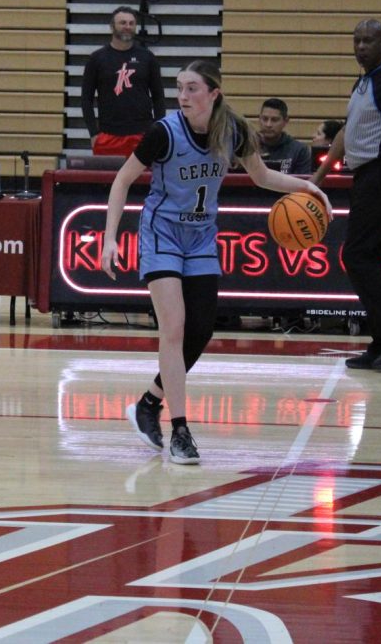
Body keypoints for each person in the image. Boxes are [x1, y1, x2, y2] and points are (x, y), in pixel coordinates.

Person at [101, 60, 331, 464]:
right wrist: (109, 239)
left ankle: (148, 403)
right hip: (163, 234)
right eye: (180, 88)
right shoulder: (164, 133)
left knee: (201, 329)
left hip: (202, 236)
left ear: (214, 94)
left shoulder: (234, 131)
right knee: (173, 327)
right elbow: (122, 180)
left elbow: (261, 177)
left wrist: (307, 187)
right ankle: (181, 431)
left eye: (192, 88)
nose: (183, 96)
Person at [311, 18, 381, 372]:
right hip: (365, 177)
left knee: (357, 256)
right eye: (357, 40)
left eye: (369, 41)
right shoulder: (363, 83)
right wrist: (318, 177)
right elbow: (346, 132)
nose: (361, 46)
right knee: (374, 260)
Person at [81, 6, 166, 157]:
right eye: (123, 23)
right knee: (109, 181)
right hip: (108, 135)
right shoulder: (96, 59)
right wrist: (93, 133)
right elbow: (86, 100)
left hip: (142, 135)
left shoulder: (147, 58)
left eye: (131, 23)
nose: (127, 27)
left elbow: (159, 98)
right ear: (112, 26)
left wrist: (157, 132)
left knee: (144, 180)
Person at [256, 97, 312, 174]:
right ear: (259, 119)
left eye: (274, 120)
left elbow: (303, 182)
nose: (268, 124)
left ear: (285, 121)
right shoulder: (247, 147)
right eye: (265, 119)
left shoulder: (299, 150)